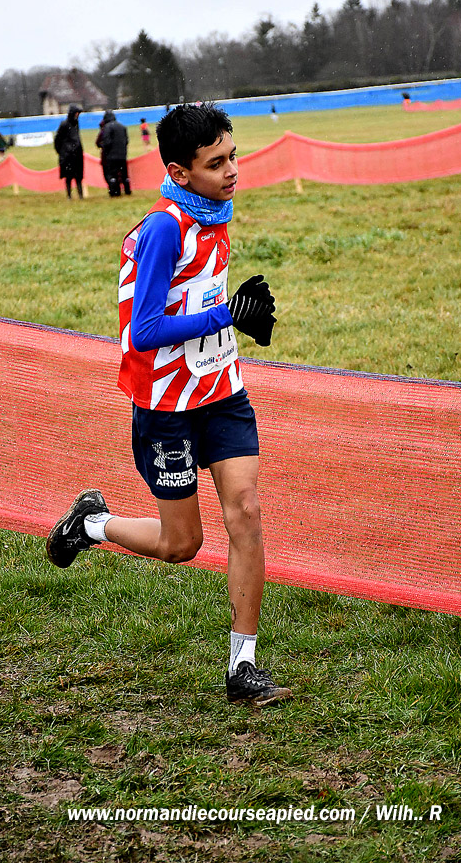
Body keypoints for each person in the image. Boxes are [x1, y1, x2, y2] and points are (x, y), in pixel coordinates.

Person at [46, 102, 292, 708]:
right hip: (167, 406)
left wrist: (236, 320)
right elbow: (145, 329)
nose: (232, 171)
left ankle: (242, 667)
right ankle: (91, 524)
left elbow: (200, 296)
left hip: (223, 392)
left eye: (233, 155)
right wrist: (225, 314)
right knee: (182, 545)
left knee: (247, 512)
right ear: (180, 173)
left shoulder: (215, 212)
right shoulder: (164, 228)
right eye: (217, 163)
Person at [97, 110, 130, 197]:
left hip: (111, 156)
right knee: (124, 174)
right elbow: (126, 141)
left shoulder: (107, 127)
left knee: (112, 175)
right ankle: (127, 190)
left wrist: (105, 149)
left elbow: (107, 142)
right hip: (122, 155)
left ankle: (115, 192)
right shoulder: (122, 127)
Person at [54, 104, 84, 199]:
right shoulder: (64, 124)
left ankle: (80, 195)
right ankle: (69, 195)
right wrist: (62, 151)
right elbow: (57, 139)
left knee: (78, 176)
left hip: (77, 154)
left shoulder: (76, 124)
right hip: (67, 155)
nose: (77, 115)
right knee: (68, 176)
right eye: (76, 113)